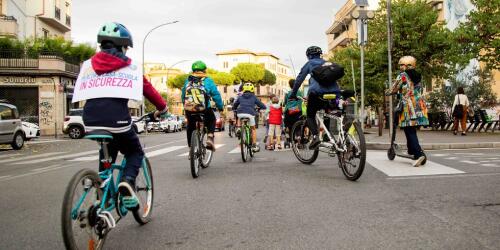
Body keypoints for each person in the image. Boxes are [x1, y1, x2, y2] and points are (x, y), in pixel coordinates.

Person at [82, 22, 167, 209]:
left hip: (89, 120)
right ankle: (127, 182)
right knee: (134, 151)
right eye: (126, 47)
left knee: (107, 154)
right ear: (122, 46)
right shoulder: (130, 67)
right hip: (117, 120)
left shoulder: (87, 66)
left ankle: (100, 191)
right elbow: (149, 90)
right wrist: (162, 107)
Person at [288, 46, 339, 149]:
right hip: (334, 93)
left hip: (317, 94)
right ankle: (327, 135)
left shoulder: (310, 63)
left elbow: (299, 80)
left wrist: (293, 94)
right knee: (327, 113)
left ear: (309, 56)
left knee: (310, 115)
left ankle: (315, 137)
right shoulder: (327, 63)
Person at [387, 56, 429, 167]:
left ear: (407, 65)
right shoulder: (418, 76)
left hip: (408, 107)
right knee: (409, 128)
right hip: (419, 106)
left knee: (409, 130)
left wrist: (389, 92)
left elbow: (393, 89)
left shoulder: (403, 75)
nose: (400, 67)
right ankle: (412, 151)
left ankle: (418, 153)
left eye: (402, 65)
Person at [181, 60, 224, 151]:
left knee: (190, 125)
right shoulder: (208, 81)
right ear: (204, 70)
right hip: (204, 109)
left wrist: (185, 107)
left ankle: (190, 149)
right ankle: (210, 138)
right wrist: (220, 107)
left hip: (190, 109)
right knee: (212, 119)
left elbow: (183, 95)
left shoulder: (188, 81)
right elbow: (216, 95)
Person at [233, 83, 267, 152]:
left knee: (239, 115)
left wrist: (234, 108)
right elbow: (262, 105)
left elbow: (235, 105)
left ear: (244, 89)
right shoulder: (254, 97)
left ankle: (239, 128)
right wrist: (261, 107)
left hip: (241, 113)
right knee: (253, 129)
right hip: (250, 113)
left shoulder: (240, 96)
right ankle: (254, 145)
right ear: (252, 89)